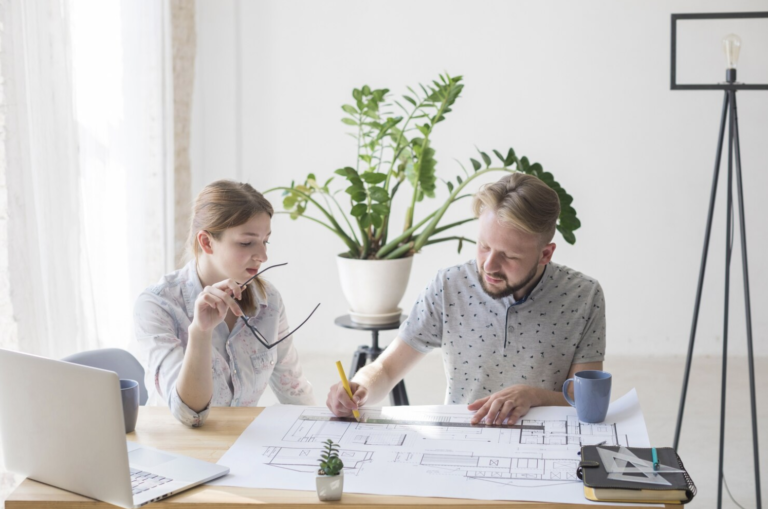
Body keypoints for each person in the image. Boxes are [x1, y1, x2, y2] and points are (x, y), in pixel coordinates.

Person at [326, 173, 605, 425]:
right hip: (463, 441)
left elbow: (585, 400)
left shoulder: (584, 296)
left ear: (546, 254)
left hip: (548, 444)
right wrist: (358, 388)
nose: (489, 266)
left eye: (508, 256)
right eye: (484, 246)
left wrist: (533, 396)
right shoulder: (449, 286)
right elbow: (386, 369)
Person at [135, 180, 314, 427]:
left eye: (265, 241)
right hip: (177, 449)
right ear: (207, 242)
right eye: (246, 242)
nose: (263, 256)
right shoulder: (158, 305)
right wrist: (200, 332)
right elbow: (189, 414)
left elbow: (295, 393)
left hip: (240, 449)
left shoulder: (268, 301)